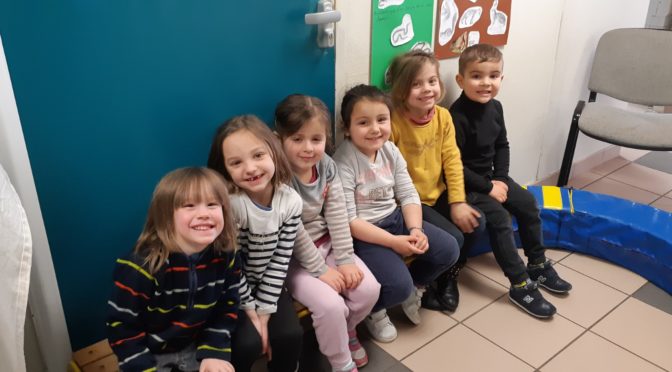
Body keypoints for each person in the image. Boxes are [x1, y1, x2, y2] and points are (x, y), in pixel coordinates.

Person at [451, 44, 572, 318]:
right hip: (467, 185)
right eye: (477, 76)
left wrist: (501, 179)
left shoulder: (496, 108)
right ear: (460, 80)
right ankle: (519, 284)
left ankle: (538, 264)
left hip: (493, 179)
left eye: (493, 76)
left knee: (528, 203)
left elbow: (502, 145)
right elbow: (453, 166)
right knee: (500, 220)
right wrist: (488, 187)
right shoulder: (454, 116)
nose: (486, 83)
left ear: (501, 79)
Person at [332, 84, 459, 343]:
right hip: (366, 234)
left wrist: (415, 230)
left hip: (396, 219)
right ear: (347, 127)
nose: (375, 128)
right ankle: (375, 310)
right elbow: (350, 221)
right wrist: (393, 243)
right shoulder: (343, 161)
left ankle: (416, 286)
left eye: (382, 119)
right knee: (396, 286)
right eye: (363, 122)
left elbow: (409, 194)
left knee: (449, 249)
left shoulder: (390, 150)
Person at [274, 94, 381, 372]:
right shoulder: (278, 178)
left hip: (328, 245)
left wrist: (344, 259)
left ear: (326, 138)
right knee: (331, 306)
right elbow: (294, 232)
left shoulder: (327, 166)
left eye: (316, 139)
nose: (308, 148)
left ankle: (346, 333)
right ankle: (340, 361)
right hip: (292, 259)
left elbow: (337, 214)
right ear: (279, 139)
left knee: (369, 290)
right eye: (297, 139)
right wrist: (321, 270)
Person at [106, 167, 240, 372]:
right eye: (189, 205)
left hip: (196, 348)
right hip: (148, 354)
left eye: (212, 204)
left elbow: (226, 306)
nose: (204, 214)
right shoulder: (139, 267)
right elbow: (122, 328)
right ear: (166, 215)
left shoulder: (225, 256)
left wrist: (214, 351)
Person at [388, 50, 485, 312]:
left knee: (476, 223)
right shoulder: (393, 122)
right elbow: (389, 173)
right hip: (410, 201)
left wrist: (457, 201)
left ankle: (446, 277)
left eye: (432, 81)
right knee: (454, 237)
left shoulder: (443, 117)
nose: (427, 89)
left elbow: (452, 161)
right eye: (416, 83)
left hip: (437, 192)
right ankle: (415, 283)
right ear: (400, 89)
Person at [208, 115, 303, 372]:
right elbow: (230, 266)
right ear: (225, 169)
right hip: (231, 287)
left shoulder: (290, 201)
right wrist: (252, 313)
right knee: (247, 343)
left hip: (268, 283)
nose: (250, 168)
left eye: (258, 155)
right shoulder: (232, 205)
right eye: (236, 163)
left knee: (290, 336)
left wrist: (265, 313)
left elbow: (281, 259)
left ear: (274, 150)